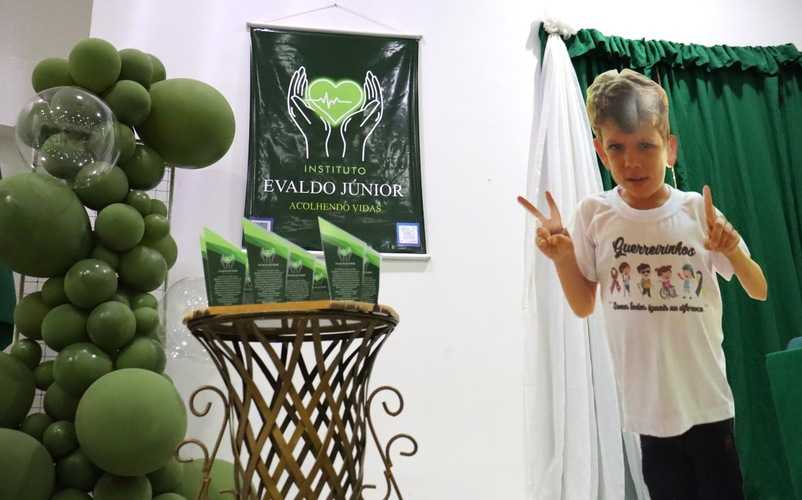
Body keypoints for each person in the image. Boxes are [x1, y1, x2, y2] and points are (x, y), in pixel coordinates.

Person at [518, 68, 768, 500]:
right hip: (648, 413)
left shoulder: (696, 210)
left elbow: (758, 287)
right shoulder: (595, 215)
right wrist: (562, 258)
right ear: (600, 151)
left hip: (708, 403)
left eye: (646, 146)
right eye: (617, 147)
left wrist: (734, 251)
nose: (631, 161)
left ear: (670, 148)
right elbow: (583, 304)